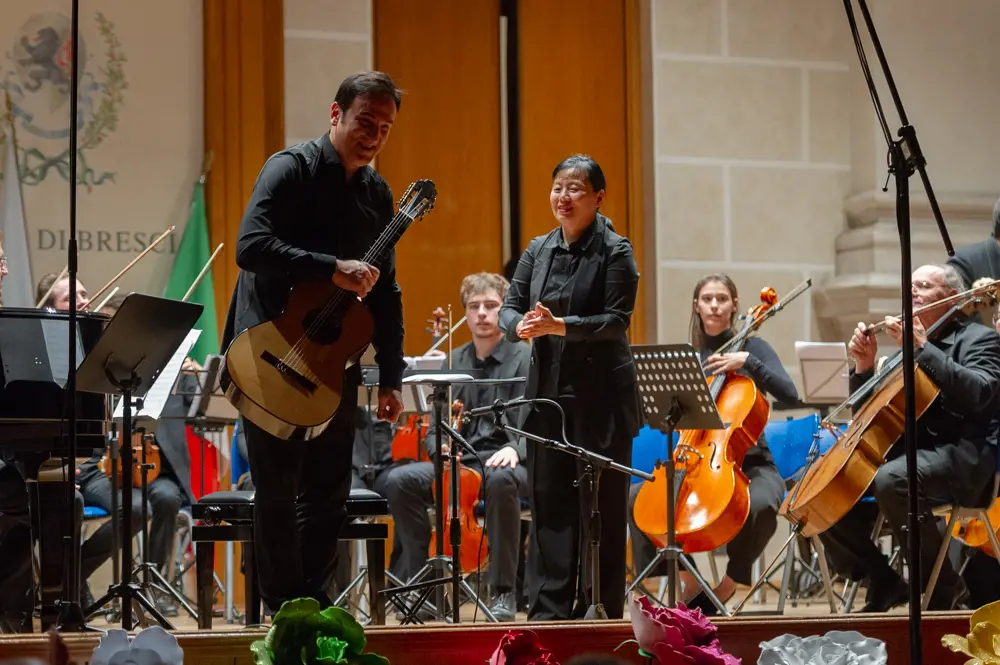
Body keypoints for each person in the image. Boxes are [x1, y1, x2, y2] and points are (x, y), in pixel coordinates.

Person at [220, 71, 406, 611]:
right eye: (365, 122)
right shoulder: (289, 169)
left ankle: (316, 608)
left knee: (328, 492)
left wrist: (391, 375)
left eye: (385, 127)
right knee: (276, 491)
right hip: (268, 350)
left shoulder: (377, 193)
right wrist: (331, 269)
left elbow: (385, 291)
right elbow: (250, 246)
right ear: (335, 114)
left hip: (333, 357)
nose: (373, 135)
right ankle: (282, 610)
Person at [499, 154, 641, 620]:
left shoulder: (617, 251)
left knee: (600, 509)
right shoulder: (538, 249)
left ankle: (601, 612)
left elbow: (615, 321)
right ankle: (549, 615)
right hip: (547, 398)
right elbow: (509, 306)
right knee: (549, 505)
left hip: (601, 400)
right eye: (558, 186)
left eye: (576, 188)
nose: (564, 196)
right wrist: (520, 324)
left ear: (598, 198)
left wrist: (561, 326)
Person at [819, 263, 1000, 611]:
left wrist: (922, 347)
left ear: (950, 297)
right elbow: (870, 415)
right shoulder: (905, 349)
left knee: (894, 478)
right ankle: (882, 580)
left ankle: (942, 585)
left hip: (963, 459)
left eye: (923, 286)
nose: (912, 291)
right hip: (910, 458)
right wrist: (865, 366)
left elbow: (979, 393)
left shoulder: (979, 339)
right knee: (824, 486)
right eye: (910, 285)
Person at [625, 274, 799, 613]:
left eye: (722, 298)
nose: (715, 305)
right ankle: (686, 579)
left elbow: (790, 395)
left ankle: (729, 583)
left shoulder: (754, 348)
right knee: (638, 499)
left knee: (762, 505)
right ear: (697, 306)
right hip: (695, 459)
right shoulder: (690, 358)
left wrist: (747, 362)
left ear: (735, 305)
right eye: (708, 299)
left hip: (752, 462)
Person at [384, 272, 531, 621]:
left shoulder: (523, 357)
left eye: (491, 306)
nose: (482, 313)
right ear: (465, 314)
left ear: (503, 310)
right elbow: (437, 425)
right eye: (474, 306)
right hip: (461, 461)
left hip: (508, 460)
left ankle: (503, 593)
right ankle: (426, 586)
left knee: (498, 479)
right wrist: (441, 450)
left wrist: (515, 448)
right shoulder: (454, 360)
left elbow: (533, 417)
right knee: (399, 480)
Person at [75, 293, 196, 616]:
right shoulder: (90, 367)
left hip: (151, 468)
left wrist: (191, 379)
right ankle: (74, 572)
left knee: (168, 499)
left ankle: (154, 584)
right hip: (100, 467)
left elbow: (195, 414)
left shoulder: (154, 370)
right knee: (134, 508)